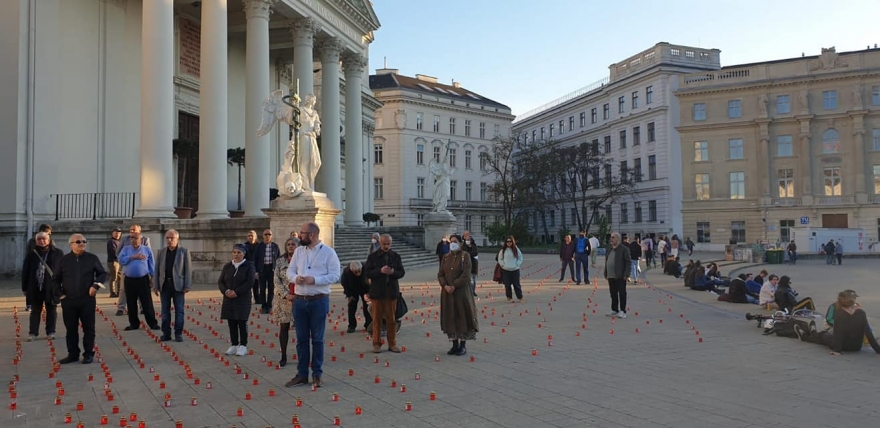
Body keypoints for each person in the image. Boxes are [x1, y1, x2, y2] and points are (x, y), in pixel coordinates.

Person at [285, 222, 341, 389]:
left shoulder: (329, 253)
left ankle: (317, 374)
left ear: (312, 235)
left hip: (319, 300)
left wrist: (315, 280)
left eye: (302, 233)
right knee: (301, 340)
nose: (298, 236)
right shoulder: (299, 251)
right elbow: (290, 271)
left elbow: (335, 275)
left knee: (317, 339)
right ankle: (302, 374)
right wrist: (296, 279)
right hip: (300, 300)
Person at [53, 234, 107, 364]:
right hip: (69, 300)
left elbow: (102, 273)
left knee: (89, 328)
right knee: (71, 329)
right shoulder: (64, 260)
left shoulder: (92, 258)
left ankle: (88, 353)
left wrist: (95, 285)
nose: (82, 243)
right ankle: (73, 354)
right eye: (78, 241)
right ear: (71, 244)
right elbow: (55, 279)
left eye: (84, 241)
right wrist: (60, 294)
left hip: (87, 299)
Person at [794, 290, 880, 356]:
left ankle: (807, 336)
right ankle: (812, 333)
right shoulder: (861, 313)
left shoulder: (839, 313)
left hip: (843, 346)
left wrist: (837, 350)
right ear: (852, 301)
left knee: (823, 336)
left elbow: (838, 333)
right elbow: (868, 332)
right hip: (856, 346)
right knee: (824, 336)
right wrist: (878, 350)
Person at [364, 234, 405, 353]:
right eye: (384, 244)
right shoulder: (373, 257)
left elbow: (401, 272)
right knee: (376, 319)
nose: (386, 246)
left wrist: (393, 272)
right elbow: (367, 273)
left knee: (391, 320)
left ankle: (392, 343)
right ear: (380, 243)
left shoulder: (396, 256)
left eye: (388, 244)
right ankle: (376, 343)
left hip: (391, 292)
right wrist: (380, 271)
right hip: (377, 292)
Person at [439, 234, 478, 356]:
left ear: (460, 243)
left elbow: (466, 275)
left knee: (462, 316)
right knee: (450, 316)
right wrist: (445, 285)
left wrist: (454, 285)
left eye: (455, 241)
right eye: (451, 242)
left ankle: (462, 345)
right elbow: (440, 274)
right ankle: (454, 344)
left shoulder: (465, 256)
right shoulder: (446, 257)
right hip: (448, 293)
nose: (452, 244)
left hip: (461, 292)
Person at [22, 231, 63, 341]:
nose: (41, 240)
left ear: (49, 240)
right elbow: (25, 271)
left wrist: (62, 286)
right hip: (35, 287)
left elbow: (63, 270)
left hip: (51, 287)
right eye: (39, 239)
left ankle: (51, 332)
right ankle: (33, 333)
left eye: (44, 238)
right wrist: (24, 287)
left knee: (51, 310)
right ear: (36, 241)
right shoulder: (31, 254)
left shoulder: (57, 253)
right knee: (35, 311)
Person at [152, 230, 191, 343]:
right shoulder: (161, 252)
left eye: (172, 238)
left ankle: (178, 333)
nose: (169, 240)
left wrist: (187, 285)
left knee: (179, 311)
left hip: (178, 285)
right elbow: (157, 269)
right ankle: (166, 333)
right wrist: (155, 285)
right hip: (165, 285)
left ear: (177, 239)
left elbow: (188, 270)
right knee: (165, 311)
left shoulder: (184, 251)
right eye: (167, 238)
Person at [219, 244, 255, 357]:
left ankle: (243, 345)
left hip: (242, 298)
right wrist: (226, 291)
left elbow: (249, 282)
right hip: (228, 298)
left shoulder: (249, 266)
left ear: (244, 254)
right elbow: (221, 282)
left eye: (239, 252)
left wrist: (236, 292)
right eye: (234, 252)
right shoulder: (227, 266)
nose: (236, 254)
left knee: (241, 321)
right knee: (231, 321)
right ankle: (234, 344)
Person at [118, 233, 159, 331]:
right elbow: (121, 260)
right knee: (131, 302)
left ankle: (152, 323)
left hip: (143, 279)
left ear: (141, 240)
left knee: (147, 302)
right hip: (129, 279)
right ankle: (134, 324)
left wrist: (153, 278)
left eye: (136, 239)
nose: (134, 241)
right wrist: (132, 257)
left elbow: (151, 265)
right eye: (132, 239)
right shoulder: (126, 249)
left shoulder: (146, 249)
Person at [114, 225, 151, 317]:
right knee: (123, 289)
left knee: (142, 290)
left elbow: (148, 254)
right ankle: (121, 308)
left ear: (140, 231)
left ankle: (142, 308)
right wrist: (127, 259)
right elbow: (118, 252)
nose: (132, 231)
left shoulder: (145, 239)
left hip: (141, 270)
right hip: (127, 269)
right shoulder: (125, 240)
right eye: (130, 230)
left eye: (134, 230)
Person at [273, 237, 298, 366]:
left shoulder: (303, 261)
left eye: (293, 244)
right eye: (288, 244)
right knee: (284, 328)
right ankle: (283, 355)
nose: (290, 246)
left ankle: (302, 354)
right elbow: (276, 280)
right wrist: (286, 294)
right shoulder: (280, 261)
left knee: (301, 329)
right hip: (284, 301)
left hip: (299, 299)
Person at [604, 232, 632, 318]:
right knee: (613, 293)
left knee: (622, 293)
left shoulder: (624, 249)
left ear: (618, 239)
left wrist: (626, 274)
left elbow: (628, 262)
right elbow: (607, 261)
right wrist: (606, 272)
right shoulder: (610, 249)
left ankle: (622, 311)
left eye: (613, 237)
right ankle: (614, 309)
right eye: (611, 237)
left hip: (620, 275)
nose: (611, 239)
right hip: (611, 275)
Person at [255, 229, 281, 314]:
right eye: (265, 234)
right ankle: (263, 306)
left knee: (271, 288)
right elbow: (255, 259)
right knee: (262, 289)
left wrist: (278, 270)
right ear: (263, 236)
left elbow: (278, 258)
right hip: (262, 269)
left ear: (271, 236)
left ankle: (269, 306)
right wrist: (256, 271)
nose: (267, 236)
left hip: (271, 269)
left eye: (269, 234)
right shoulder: (259, 246)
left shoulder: (275, 246)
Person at [341, 261, 371, 334]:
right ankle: (351, 325)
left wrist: (369, 293)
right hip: (353, 289)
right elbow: (344, 284)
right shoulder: (346, 272)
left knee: (367, 306)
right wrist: (349, 295)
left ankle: (368, 325)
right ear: (351, 270)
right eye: (355, 272)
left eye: (359, 271)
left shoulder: (367, 269)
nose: (358, 274)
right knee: (352, 307)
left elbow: (372, 283)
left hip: (365, 289)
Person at [497, 236, 524, 303]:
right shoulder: (503, 250)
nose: (509, 243)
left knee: (516, 284)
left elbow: (520, 257)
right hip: (506, 270)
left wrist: (517, 264)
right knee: (507, 284)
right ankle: (509, 297)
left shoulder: (516, 249)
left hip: (515, 269)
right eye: (507, 242)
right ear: (505, 242)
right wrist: (503, 265)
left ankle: (520, 297)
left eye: (510, 241)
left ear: (512, 242)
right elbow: (499, 258)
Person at [460, 230, 479, 296]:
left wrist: (468, 254)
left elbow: (475, 253)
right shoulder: (463, 244)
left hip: (473, 264)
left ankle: (472, 291)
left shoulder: (473, 245)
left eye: (468, 238)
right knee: (465, 278)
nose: (467, 238)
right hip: (465, 264)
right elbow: (462, 252)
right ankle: (466, 291)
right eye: (466, 236)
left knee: (472, 279)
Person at [243, 230, 259, 304]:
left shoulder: (259, 245)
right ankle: (248, 299)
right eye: (249, 236)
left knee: (256, 285)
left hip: (256, 267)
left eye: (252, 236)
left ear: (255, 237)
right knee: (247, 285)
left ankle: (257, 300)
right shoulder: (244, 246)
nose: (250, 237)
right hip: (247, 267)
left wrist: (257, 270)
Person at [106, 227, 122, 298]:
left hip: (118, 261)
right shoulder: (111, 241)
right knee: (114, 277)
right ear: (112, 234)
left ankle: (119, 292)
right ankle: (112, 293)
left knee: (120, 277)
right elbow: (114, 252)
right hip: (113, 261)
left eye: (118, 233)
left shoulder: (118, 241)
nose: (117, 235)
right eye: (115, 233)